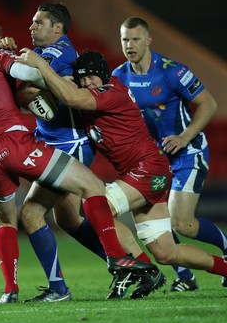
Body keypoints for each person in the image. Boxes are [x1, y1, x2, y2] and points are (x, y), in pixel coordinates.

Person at [0, 17, 155, 304]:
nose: (31, 27)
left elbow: (16, 91)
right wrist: (53, 81)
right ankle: (124, 261)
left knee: (14, 219)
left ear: (58, 28)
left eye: (39, 22)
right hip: (17, 144)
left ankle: (16, 290)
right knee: (82, 198)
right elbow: (28, 78)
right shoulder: (2, 56)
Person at [15, 48, 227, 297]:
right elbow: (56, 98)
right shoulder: (94, 94)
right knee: (166, 252)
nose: (87, 82)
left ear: (103, 75)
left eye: (91, 77)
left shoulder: (110, 91)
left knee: (97, 205)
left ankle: (130, 264)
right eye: (82, 78)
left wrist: (40, 63)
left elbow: (72, 98)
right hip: (144, 173)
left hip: (147, 169)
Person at [112, 16, 227, 292]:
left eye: (136, 39)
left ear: (148, 40)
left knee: (181, 223)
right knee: (160, 221)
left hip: (188, 153)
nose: (130, 45)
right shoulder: (118, 77)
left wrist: (185, 137)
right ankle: (185, 277)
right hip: (154, 160)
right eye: (125, 39)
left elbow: (208, 104)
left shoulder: (172, 71)